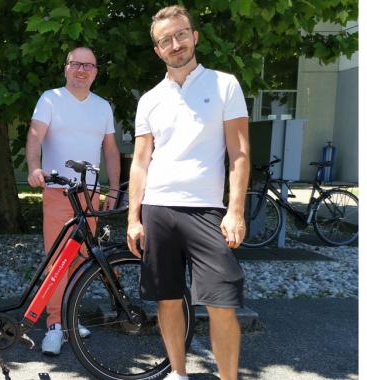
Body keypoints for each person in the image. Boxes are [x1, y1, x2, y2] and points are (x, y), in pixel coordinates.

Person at [126, 5, 250, 380]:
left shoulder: (224, 84)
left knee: (222, 303)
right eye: (166, 40)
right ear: (158, 50)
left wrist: (236, 210)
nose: (175, 44)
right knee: (167, 299)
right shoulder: (149, 99)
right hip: (158, 209)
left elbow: (239, 152)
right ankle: (177, 373)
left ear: (194, 36)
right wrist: (133, 217)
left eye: (181, 35)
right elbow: (141, 162)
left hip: (207, 211)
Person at [26, 47, 121, 356]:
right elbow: (34, 136)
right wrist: (33, 168)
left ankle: (69, 318)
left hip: (90, 194)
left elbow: (110, 151)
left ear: (95, 71)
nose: (82, 70)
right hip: (58, 191)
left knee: (82, 259)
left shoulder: (102, 106)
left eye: (89, 65)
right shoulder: (50, 99)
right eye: (76, 64)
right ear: (66, 68)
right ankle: (54, 325)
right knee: (58, 261)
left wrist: (114, 189)